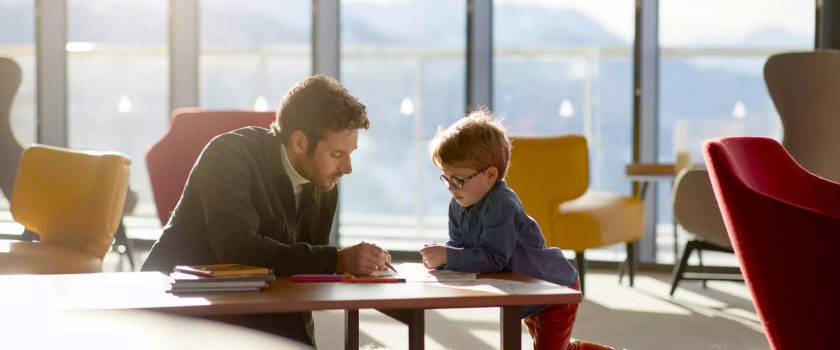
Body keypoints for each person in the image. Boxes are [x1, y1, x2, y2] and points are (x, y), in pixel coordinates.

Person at [141, 75, 393, 346]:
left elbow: (303, 271)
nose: (347, 168)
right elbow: (237, 248)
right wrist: (337, 260)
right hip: (183, 308)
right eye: (336, 154)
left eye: (350, 153)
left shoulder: (325, 184)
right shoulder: (228, 155)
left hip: (260, 307)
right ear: (299, 142)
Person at [419, 109, 614, 350]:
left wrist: (448, 256)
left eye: (458, 180)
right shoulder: (458, 202)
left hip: (552, 290)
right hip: (524, 290)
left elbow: (493, 259)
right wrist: (443, 257)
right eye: (446, 178)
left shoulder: (501, 203)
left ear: (491, 175)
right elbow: (460, 246)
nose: (451, 187)